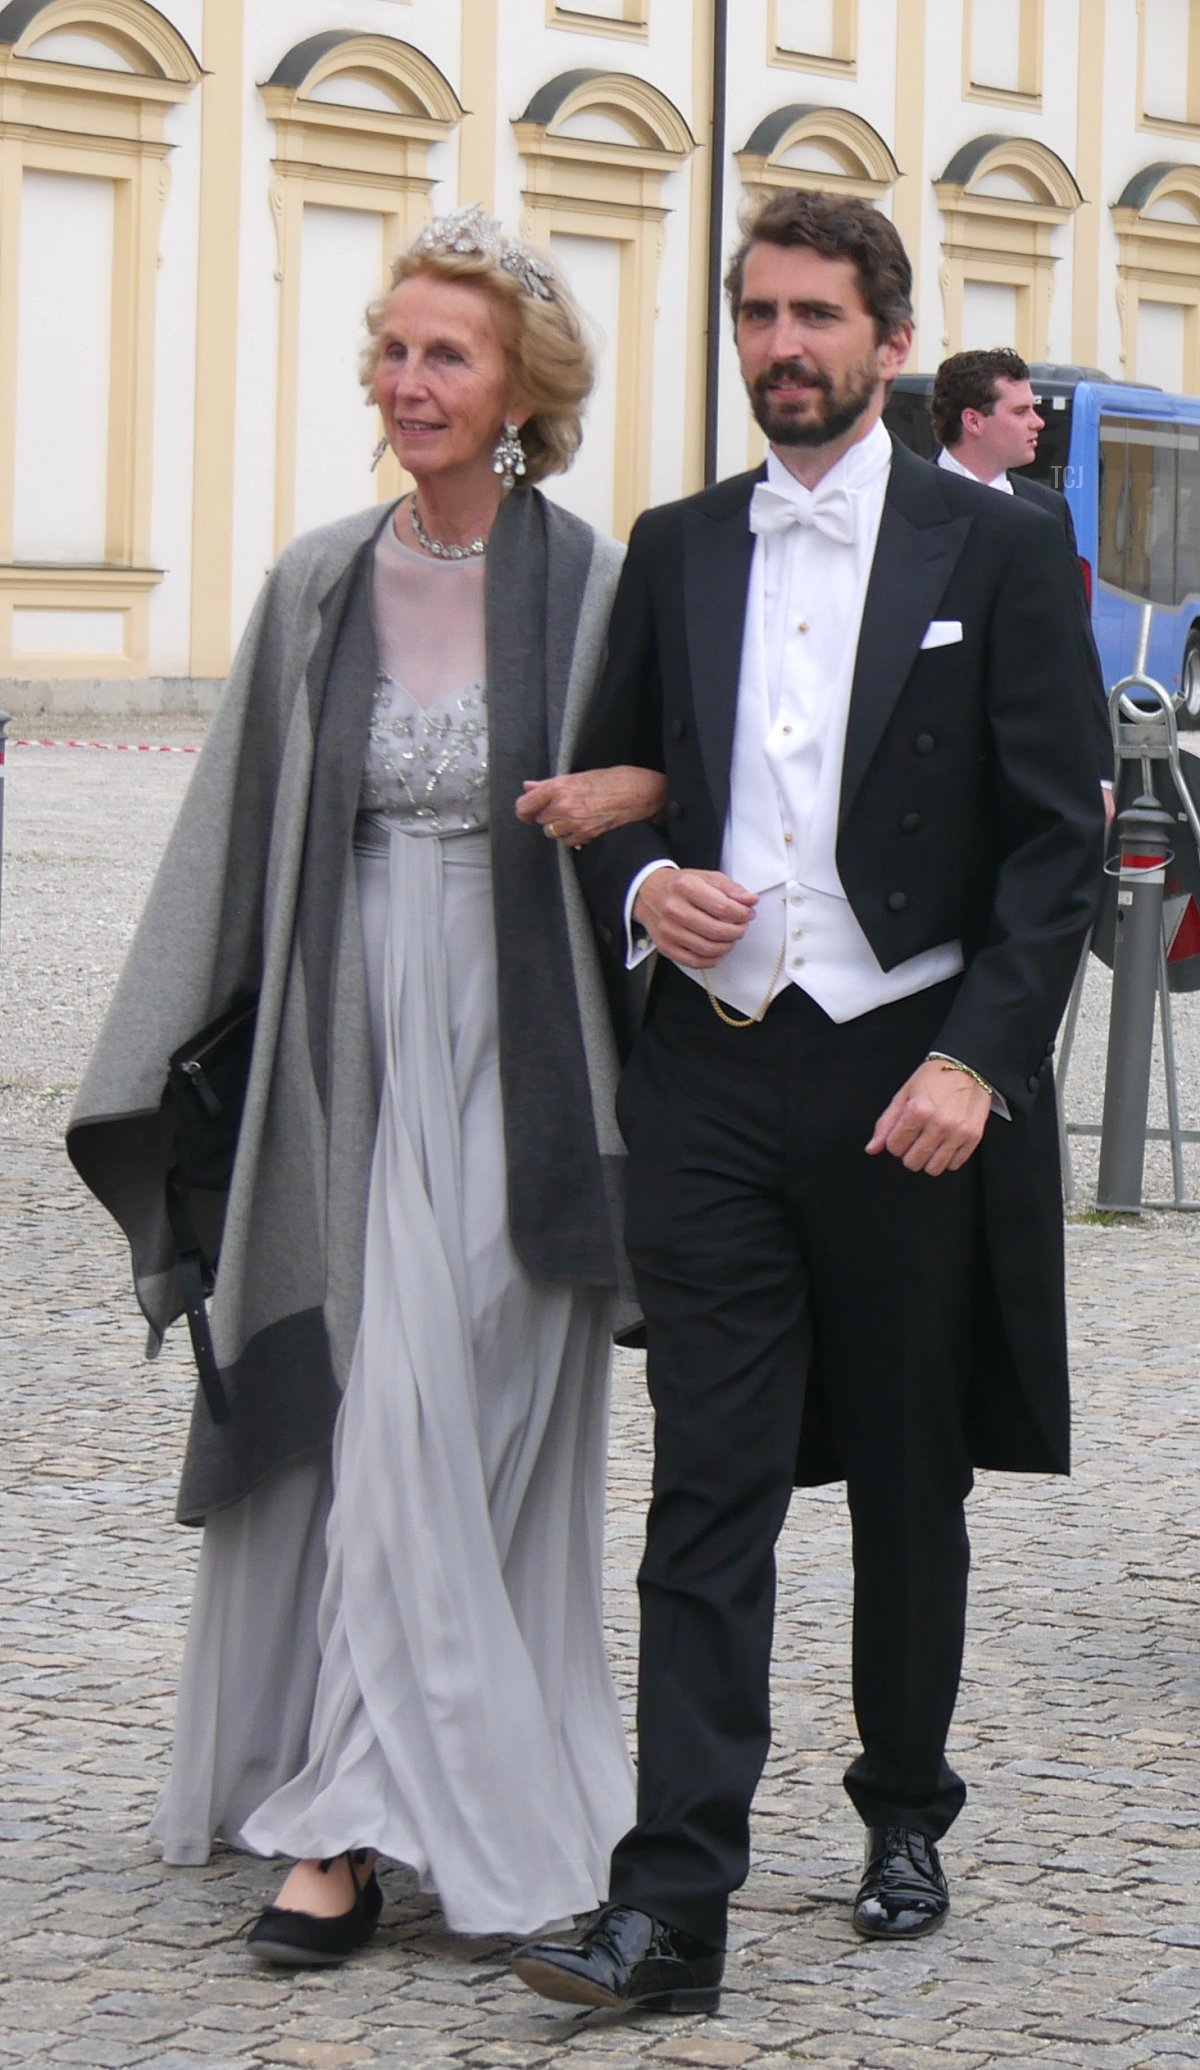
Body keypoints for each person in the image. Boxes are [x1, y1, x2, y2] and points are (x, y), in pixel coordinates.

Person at [513, 189, 1105, 2017]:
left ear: (889, 339)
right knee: (710, 1484)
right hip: (711, 1066)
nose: (784, 345)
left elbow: (1059, 843)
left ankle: (904, 1805)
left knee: (910, 1478)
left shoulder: (995, 549)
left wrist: (975, 1062)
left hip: (901, 1071)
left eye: (818, 317)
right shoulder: (679, 542)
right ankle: (670, 1902)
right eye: (760, 314)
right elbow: (622, 790)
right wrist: (641, 891)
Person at [67, 205, 667, 1961]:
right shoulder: (319, 577)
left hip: (531, 1033)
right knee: (371, 1404)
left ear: (520, 389)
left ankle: (418, 1789)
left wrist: (621, 809)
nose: (410, 382)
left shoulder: (600, 579)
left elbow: (678, 797)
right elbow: (234, 838)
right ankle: (337, 1816)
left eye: (447, 355)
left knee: (474, 1391)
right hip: (349, 1043)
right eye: (394, 350)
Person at [930, 347, 1114, 802]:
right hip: (934, 774)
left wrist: (1100, 774)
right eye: (1021, 410)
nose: (1038, 422)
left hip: (1031, 772)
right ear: (973, 421)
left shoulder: (1047, 510)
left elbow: (1075, 644)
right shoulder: (909, 506)